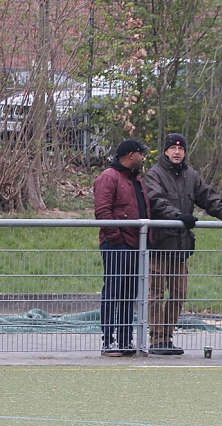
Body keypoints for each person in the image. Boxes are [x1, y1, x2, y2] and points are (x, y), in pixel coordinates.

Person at [143, 133, 222, 355]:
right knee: (156, 294)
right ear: (165, 151)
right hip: (159, 245)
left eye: (181, 149)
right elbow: (156, 201)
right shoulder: (154, 174)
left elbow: (209, 198)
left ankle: (167, 337)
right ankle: (157, 339)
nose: (177, 152)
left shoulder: (191, 175)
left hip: (181, 247)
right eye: (173, 148)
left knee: (179, 293)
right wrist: (178, 216)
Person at [94, 139, 148, 357]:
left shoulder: (135, 179)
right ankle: (108, 341)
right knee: (113, 292)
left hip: (134, 244)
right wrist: (117, 239)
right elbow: (102, 211)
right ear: (131, 155)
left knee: (128, 294)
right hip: (117, 244)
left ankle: (125, 340)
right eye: (141, 154)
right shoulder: (109, 177)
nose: (143, 158)